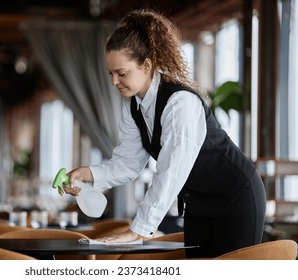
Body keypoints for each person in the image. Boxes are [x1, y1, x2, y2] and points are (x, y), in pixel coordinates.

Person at [59, 8, 266, 258]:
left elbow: (171, 172)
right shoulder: (133, 104)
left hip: (237, 196)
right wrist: (90, 174)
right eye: (110, 74)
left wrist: (139, 230)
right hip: (199, 204)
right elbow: (128, 163)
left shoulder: (180, 104)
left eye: (121, 73)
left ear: (146, 65)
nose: (113, 82)